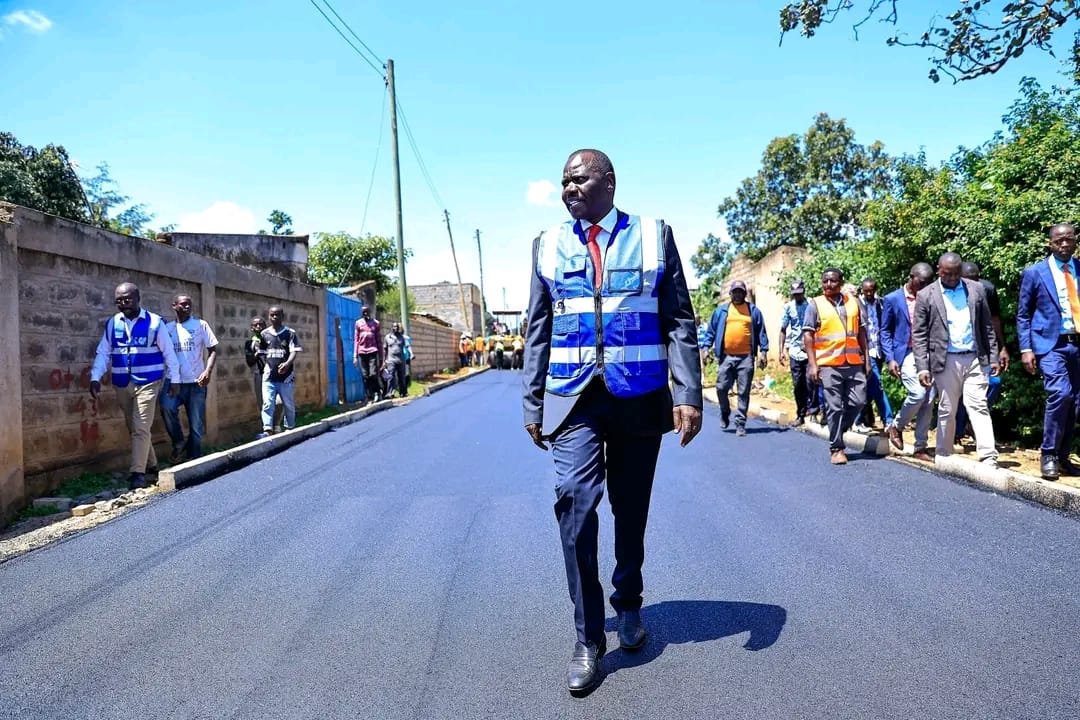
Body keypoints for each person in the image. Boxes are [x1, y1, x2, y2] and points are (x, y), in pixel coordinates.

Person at [522, 149, 702, 694]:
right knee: (574, 501)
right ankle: (588, 636)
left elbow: (678, 319)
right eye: (563, 182)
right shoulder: (547, 245)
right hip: (573, 398)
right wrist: (532, 402)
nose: (568, 189)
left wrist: (688, 393)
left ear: (609, 182)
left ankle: (628, 602)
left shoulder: (652, 236)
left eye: (578, 180)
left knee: (630, 506)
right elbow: (537, 327)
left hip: (639, 395)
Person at [89, 282, 180, 489]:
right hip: (122, 383)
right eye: (119, 301)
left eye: (127, 299)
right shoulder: (113, 323)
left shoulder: (155, 322)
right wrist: (95, 377)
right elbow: (103, 352)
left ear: (138, 299)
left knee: (140, 427)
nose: (123, 304)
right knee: (135, 428)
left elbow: (169, 353)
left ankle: (137, 473)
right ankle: (152, 466)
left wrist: (174, 379)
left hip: (149, 382)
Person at [913, 252, 1000, 468]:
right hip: (945, 360)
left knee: (978, 404)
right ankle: (944, 453)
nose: (952, 278)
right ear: (939, 270)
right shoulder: (926, 295)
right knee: (947, 408)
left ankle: (988, 456)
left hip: (974, 357)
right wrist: (923, 367)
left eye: (955, 273)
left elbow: (986, 326)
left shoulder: (976, 289)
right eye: (947, 273)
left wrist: (993, 356)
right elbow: (919, 334)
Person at [1017, 223, 1080, 479]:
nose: (1064, 244)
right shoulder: (1035, 273)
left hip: (1077, 343)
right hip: (1050, 344)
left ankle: (1063, 456)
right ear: (1050, 244)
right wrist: (1026, 349)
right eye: (1059, 240)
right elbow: (1023, 314)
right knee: (1060, 394)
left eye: (1069, 239)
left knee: (1076, 402)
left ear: (1075, 241)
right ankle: (1049, 454)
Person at [802, 268, 870, 465]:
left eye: (832, 281)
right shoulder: (815, 305)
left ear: (841, 282)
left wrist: (867, 359)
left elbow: (862, 333)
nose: (828, 285)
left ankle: (838, 430)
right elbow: (808, 335)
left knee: (859, 401)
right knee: (834, 407)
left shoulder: (853, 302)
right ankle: (837, 448)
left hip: (853, 362)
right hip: (828, 364)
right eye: (825, 281)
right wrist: (812, 364)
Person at [881, 263, 936, 462]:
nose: (924, 286)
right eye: (921, 282)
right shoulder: (893, 299)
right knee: (918, 392)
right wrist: (890, 359)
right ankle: (896, 426)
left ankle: (920, 447)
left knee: (929, 398)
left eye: (928, 283)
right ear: (911, 277)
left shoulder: (930, 297)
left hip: (927, 352)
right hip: (905, 353)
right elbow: (885, 331)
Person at [699, 280, 768, 436]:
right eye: (735, 292)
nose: (737, 294)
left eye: (740, 292)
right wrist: (705, 348)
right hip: (726, 357)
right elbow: (711, 331)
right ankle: (725, 411)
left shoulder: (753, 311)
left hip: (746, 358)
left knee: (743, 391)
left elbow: (761, 332)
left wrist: (763, 352)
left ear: (745, 293)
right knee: (721, 387)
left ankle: (740, 423)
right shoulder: (722, 311)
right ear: (730, 294)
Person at [954, 261, 1008, 440]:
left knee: (994, 382)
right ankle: (956, 432)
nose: (973, 283)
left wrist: (1002, 348)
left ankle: (971, 423)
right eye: (968, 279)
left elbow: (995, 320)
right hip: (958, 350)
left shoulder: (987, 290)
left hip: (983, 348)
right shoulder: (950, 292)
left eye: (975, 279)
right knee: (958, 392)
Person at [160, 294, 218, 462]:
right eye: (183, 304)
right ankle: (179, 443)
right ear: (174, 306)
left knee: (196, 425)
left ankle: (195, 458)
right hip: (173, 381)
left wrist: (207, 371)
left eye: (189, 305)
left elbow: (213, 350)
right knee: (166, 407)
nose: (187, 307)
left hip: (196, 383)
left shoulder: (200, 325)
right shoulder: (167, 329)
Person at [854, 277, 893, 433]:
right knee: (877, 386)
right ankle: (889, 420)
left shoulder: (881, 303)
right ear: (862, 290)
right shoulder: (857, 305)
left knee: (870, 388)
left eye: (871, 291)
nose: (869, 293)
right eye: (866, 291)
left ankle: (856, 419)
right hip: (865, 351)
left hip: (879, 351)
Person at [778, 280, 819, 426]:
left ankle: (813, 412)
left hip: (810, 352)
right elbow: (783, 329)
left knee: (811, 382)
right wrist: (781, 350)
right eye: (795, 294)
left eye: (799, 294)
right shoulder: (788, 307)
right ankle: (800, 414)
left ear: (804, 292)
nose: (797, 297)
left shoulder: (812, 305)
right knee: (798, 385)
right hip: (795, 352)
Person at [257, 306, 302, 438]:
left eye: (277, 315)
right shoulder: (264, 334)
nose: (274, 317)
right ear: (269, 316)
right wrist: (267, 367)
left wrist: (287, 364)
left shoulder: (290, 333)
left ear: (283, 316)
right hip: (269, 376)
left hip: (286, 377)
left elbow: (294, 351)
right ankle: (267, 429)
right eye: (272, 315)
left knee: (288, 403)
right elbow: (262, 353)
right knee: (267, 403)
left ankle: (290, 427)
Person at [353, 307, 382, 403]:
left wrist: (381, 356)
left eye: (367, 312)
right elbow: (356, 340)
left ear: (369, 312)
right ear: (361, 313)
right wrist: (355, 356)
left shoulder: (376, 323)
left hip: (373, 351)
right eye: (363, 312)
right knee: (365, 376)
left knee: (373, 374)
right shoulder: (358, 323)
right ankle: (369, 396)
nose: (365, 314)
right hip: (362, 352)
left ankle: (377, 392)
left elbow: (379, 340)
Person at [244, 316, 266, 409]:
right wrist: (257, 352)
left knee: (278, 401)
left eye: (260, 324)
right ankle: (264, 418)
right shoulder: (249, 343)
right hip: (259, 375)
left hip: (273, 374)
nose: (258, 327)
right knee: (261, 401)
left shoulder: (271, 340)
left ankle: (276, 418)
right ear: (252, 328)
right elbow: (250, 361)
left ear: (265, 326)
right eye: (255, 325)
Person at [382, 321, 408, 398]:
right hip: (391, 360)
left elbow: (406, 347)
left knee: (401, 377)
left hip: (401, 360)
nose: (395, 328)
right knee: (390, 377)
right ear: (391, 328)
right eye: (394, 326)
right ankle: (390, 393)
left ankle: (403, 392)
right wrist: (384, 361)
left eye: (397, 327)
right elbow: (385, 350)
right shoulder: (387, 337)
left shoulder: (402, 337)